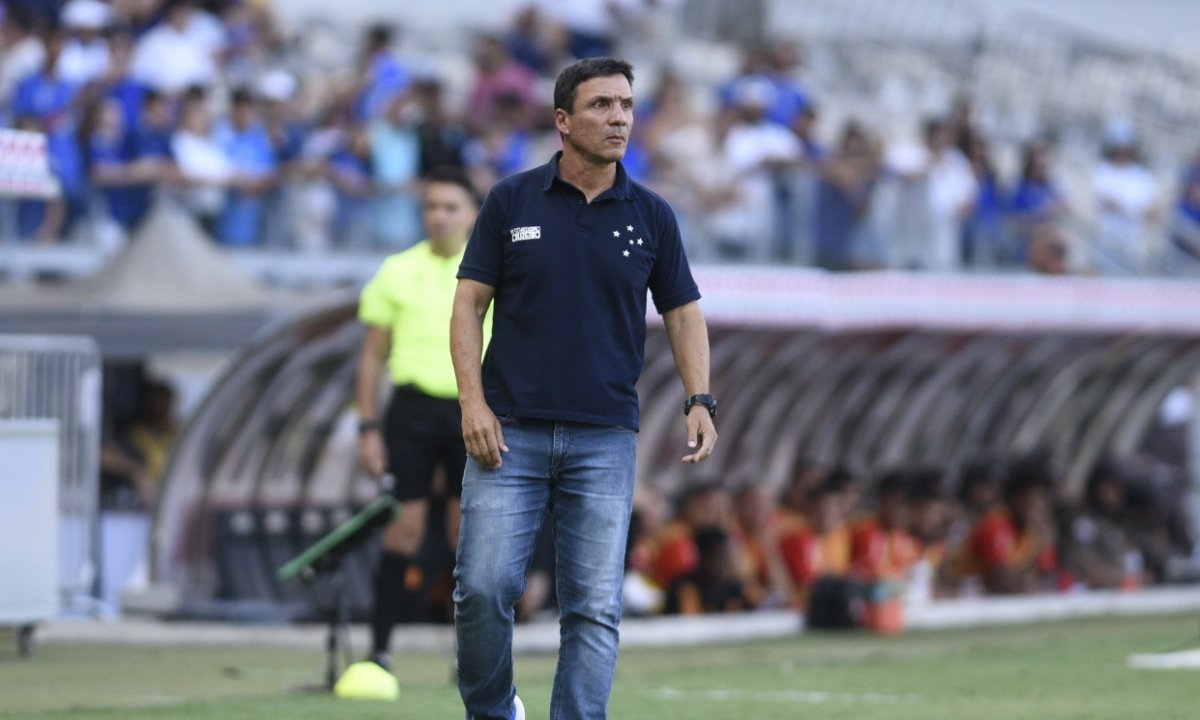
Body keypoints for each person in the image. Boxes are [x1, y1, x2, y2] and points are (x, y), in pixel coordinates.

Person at [450, 57, 717, 720]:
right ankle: (492, 710)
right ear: (562, 120)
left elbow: (684, 312)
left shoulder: (653, 216)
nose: (618, 117)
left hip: (605, 434)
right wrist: (473, 403)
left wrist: (700, 399)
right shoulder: (511, 200)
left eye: (626, 104)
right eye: (601, 105)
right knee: (482, 589)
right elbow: (466, 306)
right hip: (507, 430)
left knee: (595, 604)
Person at [354, 166, 485, 670]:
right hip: (411, 411)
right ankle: (380, 650)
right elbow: (370, 357)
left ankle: (470, 655)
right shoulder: (397, 270)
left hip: (470, 407)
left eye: (451, 206)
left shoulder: (488, 271)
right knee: (404, 528)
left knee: (466, 535)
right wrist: (367, 426)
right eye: (431, 206)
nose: (439, 216)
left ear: (472, 213)